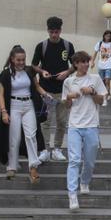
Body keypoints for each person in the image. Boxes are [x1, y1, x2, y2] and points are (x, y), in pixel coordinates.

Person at [0, 45, 49, 184]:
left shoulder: (29, 71)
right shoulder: (6, 74)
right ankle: (12, 166)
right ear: (12, 59)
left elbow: (36, 87)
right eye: (18, 60)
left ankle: (33, 166)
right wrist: (4, 112)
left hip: (29, 105)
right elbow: (0, 95)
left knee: (31, 135)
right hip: (13, 106)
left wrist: (45, 94)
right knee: (14, 137)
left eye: (23, 60)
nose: (21, 62)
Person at [62, 51, 108, 211]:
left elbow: (102, 101)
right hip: (74, 125)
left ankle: (85, 181)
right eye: (82, 62)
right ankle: (72, 195)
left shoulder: (95, 79)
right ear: (75, 64)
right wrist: (69, 98)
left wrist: (92, 92)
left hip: (91, 125)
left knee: (89, 161)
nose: (86, 64)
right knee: (74, 160)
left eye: (87, 61)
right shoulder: (69, 81)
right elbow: (66, 106)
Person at [31, 16, 75, 162]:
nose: (54, 35)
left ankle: (57, 148)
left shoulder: (68, 46)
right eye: (51, 32)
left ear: (60, 31)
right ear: (48, 31)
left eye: (56, 32)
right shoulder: (41, 46)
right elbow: (33, 65)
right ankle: (44, 150)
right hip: (46, 90)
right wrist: (41, 71)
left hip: (63, 90)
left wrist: (67, 73)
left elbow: (75, 65)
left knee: (62, 121)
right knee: (45, 121)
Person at [91, 30, 111, 107]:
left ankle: (105, 99)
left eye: (109, 36)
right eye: (106, 36)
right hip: (101, 65)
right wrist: (92, 62)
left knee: (107, 81)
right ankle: (108, 93)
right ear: (104, 36)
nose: (108, 37)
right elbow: (95, 53)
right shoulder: (100, 43)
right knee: (102, 82)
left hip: (109, 65)